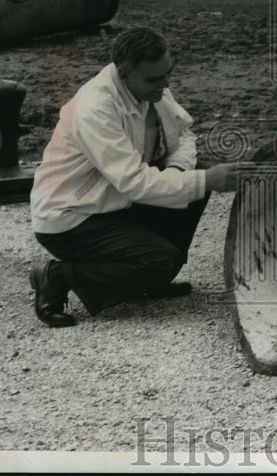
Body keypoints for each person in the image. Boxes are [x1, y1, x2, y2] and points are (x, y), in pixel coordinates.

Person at [28, 26, 240, 327]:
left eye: (169, 73)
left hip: (115, 202)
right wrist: (207, 180)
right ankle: (56, 276)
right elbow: (134, 183)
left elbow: (184, 134)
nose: (166, 84)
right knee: (164, 258)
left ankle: (146, 280)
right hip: (71, 216)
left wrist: (179, 172)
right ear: (124, 73)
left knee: (193, 175)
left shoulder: (150, 87)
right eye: (156, 78)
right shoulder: (95, 108)